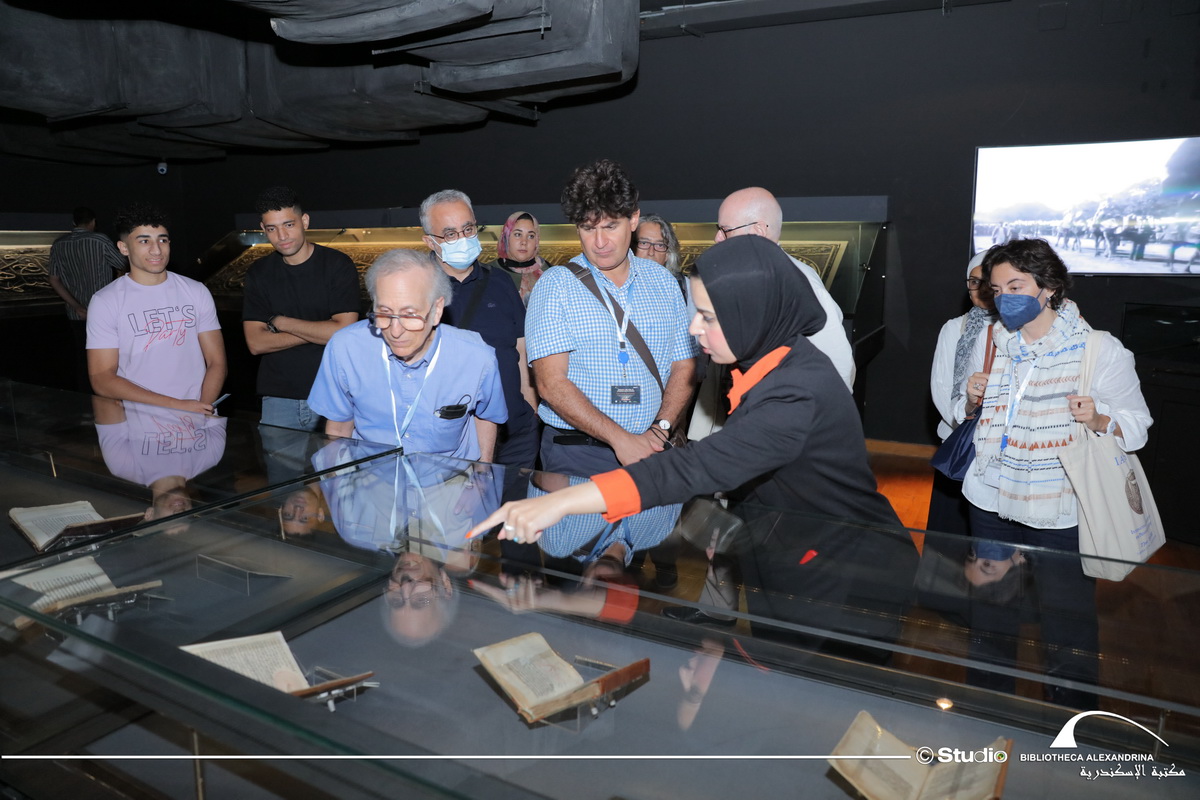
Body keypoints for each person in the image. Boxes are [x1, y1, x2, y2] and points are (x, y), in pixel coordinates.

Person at [473, 236, 918, 657]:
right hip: (797, 564)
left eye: (708, 317)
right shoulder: (775, 365)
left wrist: (559, 503)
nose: (693, 328)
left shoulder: (795, 393)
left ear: (750, 314)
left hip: (844, 583)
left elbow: (691, 468)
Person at [960, 237, 1152, 707]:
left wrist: (1099, 419)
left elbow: (1137, 426)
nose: (1004, 297)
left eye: (1016, 286)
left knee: (1067, 621)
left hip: (1060, 509)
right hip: (990, 499)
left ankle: (1070, 719)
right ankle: (985, 710)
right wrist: (971, 399)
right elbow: (970, 419)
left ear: (1048, 287)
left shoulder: (1098, 349)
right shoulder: (994, 343)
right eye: (997, 289)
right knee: (990, 612)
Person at [524, 159, 697, 576]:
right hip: (575, 460)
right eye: (588, 228)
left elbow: (684, 366)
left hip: (653, 453)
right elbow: (550, 384)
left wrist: (658, 431)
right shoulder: (556, 286)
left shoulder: (663, 284)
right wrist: (622, 440)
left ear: (634, 220)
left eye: (610, 226)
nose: (599, 242)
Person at [306, 248, 507, 460]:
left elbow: (486, 417)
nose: (395, 331)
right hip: (371, 474)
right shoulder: (346, 348)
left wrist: (483, 473)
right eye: (384, 313)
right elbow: (338, 427)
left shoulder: (476, 357)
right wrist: (336, 478)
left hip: (448, 475)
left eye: (409, 315)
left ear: (437, 309)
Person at [419, 190, 538, 491]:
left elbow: (520, 349)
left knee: (517, 515)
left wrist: (531, 411)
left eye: (468, 229)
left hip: (515, 432)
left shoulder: (499, 281)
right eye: (450, 234)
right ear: (430, 241)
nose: (462, 239)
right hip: (454, 440)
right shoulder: (416, 288)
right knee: (460, 516)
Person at [242, 186, 361, 434]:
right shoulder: (259, 273)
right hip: (278, 396)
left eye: (289, 224)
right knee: (279, 463)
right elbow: (256, 343)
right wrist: (320, 328)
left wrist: (281, 322)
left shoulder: (337, 264)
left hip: (333, 393)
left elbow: (345, 332)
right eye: (272, 228)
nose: (282, 235)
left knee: (335, 461)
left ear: (304, 221)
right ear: (263, 229)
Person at [87, 203, 227, 413]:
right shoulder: (105, 301)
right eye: (144, 241)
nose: (157, 250)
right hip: (140, 420)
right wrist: (177, 405)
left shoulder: (196, 291)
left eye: (162, 240)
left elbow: (216, 362)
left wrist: (202, 409)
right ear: (123, 248)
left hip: (198, 417)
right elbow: (101, 378)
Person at [713, 187, 854, 389]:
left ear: (758, 231)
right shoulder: (741, 277)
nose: (718, 238)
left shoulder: (798, 284)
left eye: (726, 230)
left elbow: (838, 366)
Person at [926, 251, 993, 534]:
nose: (981, 289)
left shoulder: (1023, 330)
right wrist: (964, 423)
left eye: (988, 281)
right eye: (974, 282)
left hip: (998, 449)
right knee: (951, 538)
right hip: (960, 441)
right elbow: (941, 388)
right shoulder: (955, 328)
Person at [46, 206, 124, 391]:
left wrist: (77, 306)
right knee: (110, 360)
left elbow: (53, 279)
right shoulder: (99, 240)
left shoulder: (59, 244)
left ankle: (84, 399)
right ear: (93, 222)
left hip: (76, 314)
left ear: (74, 222)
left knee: (83, 359)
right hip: (104, 312)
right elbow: (122, 263)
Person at [491, 210, 550, 305]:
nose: (524, 242)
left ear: (537, 240)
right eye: (518, 234)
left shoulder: (550, 273)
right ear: (506, 237)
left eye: (531, 236)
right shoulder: (488, 273)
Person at [633, 212, 683, 286]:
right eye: (644, 243)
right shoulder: (616, 286)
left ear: (668, 254)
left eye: (660, 245)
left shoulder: (684, 288)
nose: (651, 252)